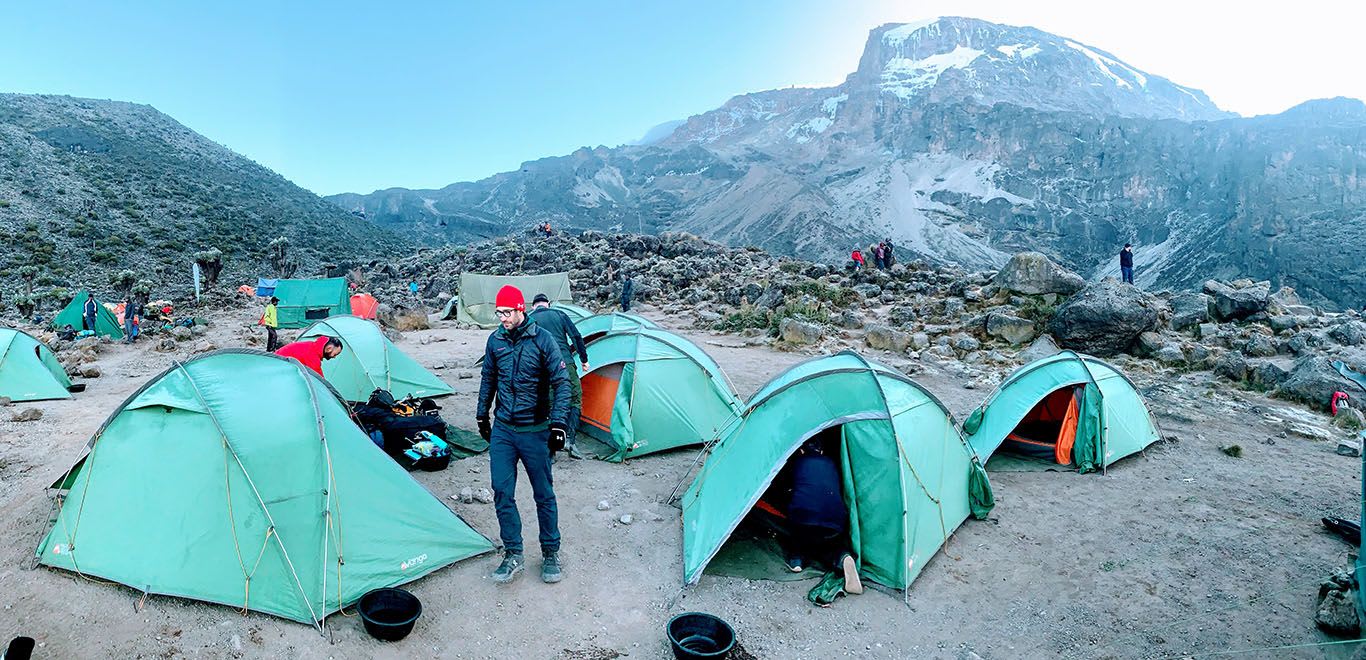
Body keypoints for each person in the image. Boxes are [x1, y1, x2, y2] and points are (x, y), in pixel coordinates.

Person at [476, 285, 571, 585]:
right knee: (502, 492)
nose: (502, 318)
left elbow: (562, 383)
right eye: (499, 313)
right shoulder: (495, 341)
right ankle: (513, 553)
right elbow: (488, 377)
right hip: (504, 429)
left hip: (535, 430)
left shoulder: (542, 340)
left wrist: (558, 425)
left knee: (543, 494)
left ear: (521, 310)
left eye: (507, 312)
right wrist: (482, 414)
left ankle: (550, 552)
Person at [779, 436, 862, 596]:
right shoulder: (832, 463)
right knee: (828, 546)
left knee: (800, 535)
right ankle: (843, 557)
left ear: (801, 450)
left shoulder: (797, 462)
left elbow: (787, 488)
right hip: (835, 521)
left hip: (804, 519)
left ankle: (797, 559)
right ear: (822, 451)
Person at [529, 293, 590, 460]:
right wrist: (584, 359)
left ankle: (552, 449)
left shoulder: (529, 318)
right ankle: (570, 441)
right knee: (574, 399)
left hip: (544, 366)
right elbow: (576, 337)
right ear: (548, 303)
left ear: (534, 305)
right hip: (566, 363)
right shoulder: (560, 314)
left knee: (548, 402)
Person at [275, 335, 343, 377]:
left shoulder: (311, 346)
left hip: (276, 363)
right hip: (278, 369)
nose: (334, 357)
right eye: (335, 354)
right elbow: (320, 380)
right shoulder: (312, 356)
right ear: (329, 348)